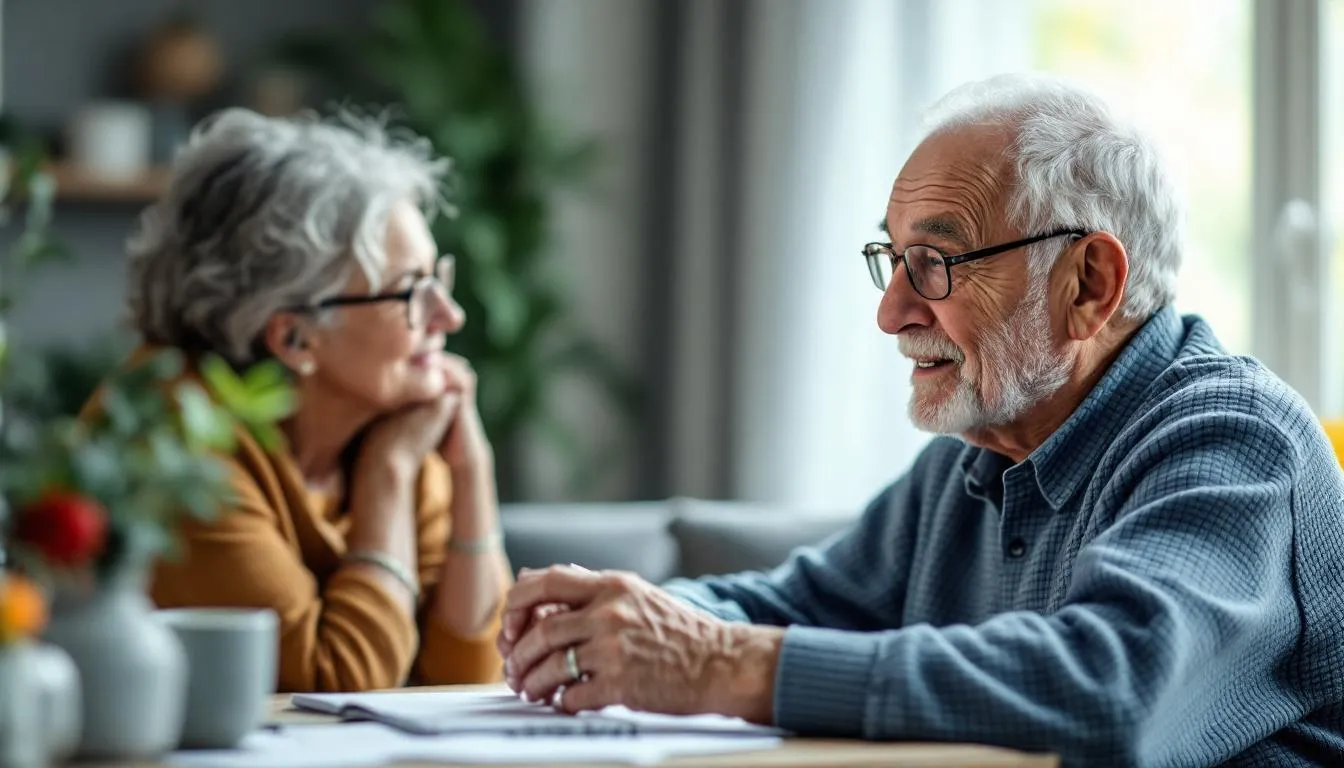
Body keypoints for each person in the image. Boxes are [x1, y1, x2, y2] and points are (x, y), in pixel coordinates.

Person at [496, 74, 1344, 765]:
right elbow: (800, 604)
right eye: (891, 260)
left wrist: (709, 664)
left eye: (935, 263)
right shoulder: (985, 443)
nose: (893, 310)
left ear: (1089, 284)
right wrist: (614, 623)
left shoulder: (1236, 439)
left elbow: (1106, 691)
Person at [119, 108, 512, 692]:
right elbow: (331, 686)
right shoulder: (178, 444)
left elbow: (472, 676)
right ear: (295, 337)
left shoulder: (391, 420)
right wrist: (388, 475)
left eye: (440, 280)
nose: (448, 317)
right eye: (410, 292)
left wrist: (472, 472)